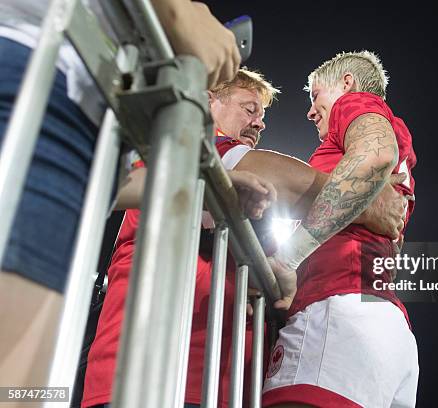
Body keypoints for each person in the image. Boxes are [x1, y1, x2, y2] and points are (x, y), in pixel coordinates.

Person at [83, 67, 408, 407]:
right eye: (249, 109)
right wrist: (367, 202)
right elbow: (279, 179)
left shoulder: (249, 203)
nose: (260, 122)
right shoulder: (191, 145)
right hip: (157, 373)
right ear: (209, 104)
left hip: (224, 382)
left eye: (262, 115)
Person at [0, 0, 240, 392]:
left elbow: (126, 185)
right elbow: (190, 29)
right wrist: (184, 14)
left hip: (72, 116)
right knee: (17, 387)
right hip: (44, 77)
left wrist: (207, 187)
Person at [262, 51, 419, 408]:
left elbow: (374, 156)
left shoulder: (356, 103)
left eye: (315, 95)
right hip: (386, 328)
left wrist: (289, 258)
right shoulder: (399, 155)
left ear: (346, 83)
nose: (310, 110)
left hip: (339, 314)